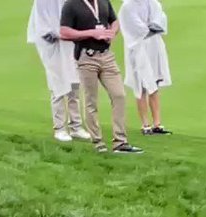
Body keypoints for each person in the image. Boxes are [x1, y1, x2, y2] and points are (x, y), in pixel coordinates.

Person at [59, 0, 143, 154]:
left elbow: (114, 21)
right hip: (86, 56)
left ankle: (120, 142)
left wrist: (112, 32)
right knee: (91, 101)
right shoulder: (71, 4)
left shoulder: (103, 1)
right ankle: (98, 142)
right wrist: (91, 33)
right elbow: (64, 32)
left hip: (106, 55)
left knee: (119, 95)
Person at [27, 0, 91, 143]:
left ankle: (76, 126)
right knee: (58, 85)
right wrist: (57, 33)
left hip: (70, 44)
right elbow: (42, 26)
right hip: (52, 46)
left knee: (74, 84)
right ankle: (60, 128)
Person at [119, 0, 172, 135]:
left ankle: (157, 123)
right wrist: (149, 29)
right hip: (137, 47)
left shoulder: (153, 3)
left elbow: (160, 19)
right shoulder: (127, 6)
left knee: (155, 83)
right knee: (141, 85)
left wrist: (153, 27)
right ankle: (145, 124)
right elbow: (134, 27)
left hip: (154, 46)